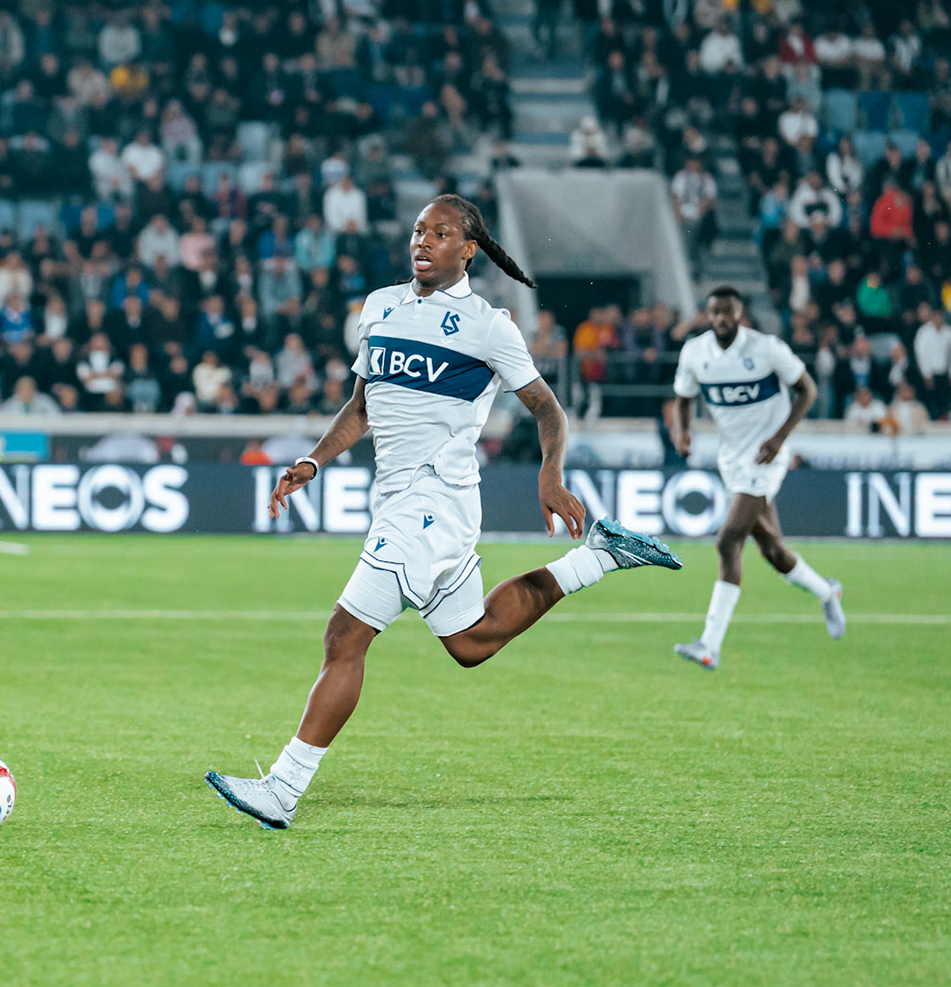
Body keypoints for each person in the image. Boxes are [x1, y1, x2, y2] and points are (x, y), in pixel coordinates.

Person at [204, 196, 683, 830]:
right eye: (417, 230)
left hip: (434, 501)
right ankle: (597, 558)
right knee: (470, 641)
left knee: (345, 636)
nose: (423, 241)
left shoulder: (489, 327)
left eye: (440, 233)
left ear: (469, 249)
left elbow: (547, 409)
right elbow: (363, 407)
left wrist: (549, 474)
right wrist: (314, 463)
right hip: (407, 504)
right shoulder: (379, 307)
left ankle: (285, 788)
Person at [665, 286, 845, 670]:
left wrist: (780, 439)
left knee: (728, 539)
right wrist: (682, 432)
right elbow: (683, 397)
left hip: (767, 455)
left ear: (740, 314)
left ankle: (709, 645)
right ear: (707, 315)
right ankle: (827, 591)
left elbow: (807, 390)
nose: (721, 320)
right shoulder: (695, 353)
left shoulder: (766, 349)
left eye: (728, 312)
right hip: (731, 458)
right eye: (714, 313)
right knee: (773, 551)